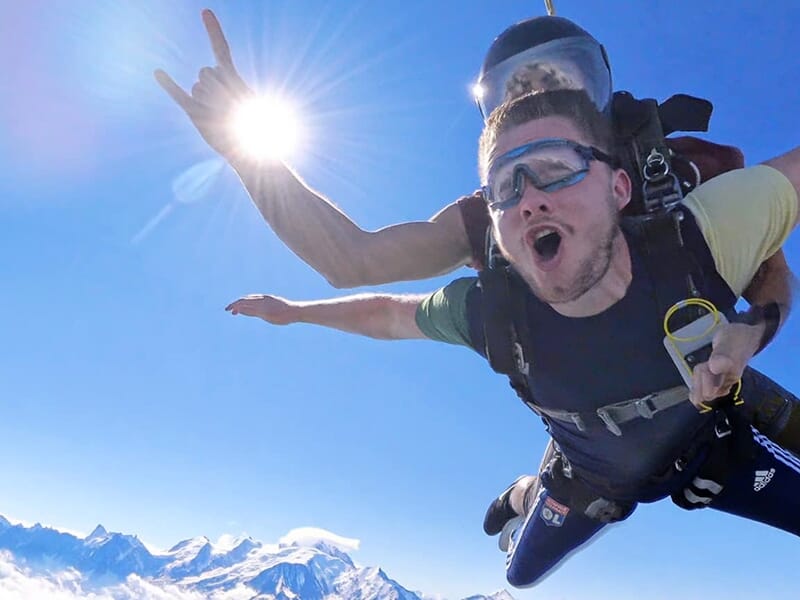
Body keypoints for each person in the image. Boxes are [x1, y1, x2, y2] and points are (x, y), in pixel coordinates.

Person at [225, 88, 800, 587]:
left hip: (721, 445)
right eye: (506, 186)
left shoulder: (700, 236)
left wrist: (756, 326)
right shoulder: (493, 314)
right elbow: (383, 309)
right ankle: (529, 492)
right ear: (494, 225)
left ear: (620, 185)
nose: (530, 199)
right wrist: (295, 308)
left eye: (557, 168)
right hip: (588, 481)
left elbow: (772, 250)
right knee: (519, 576)